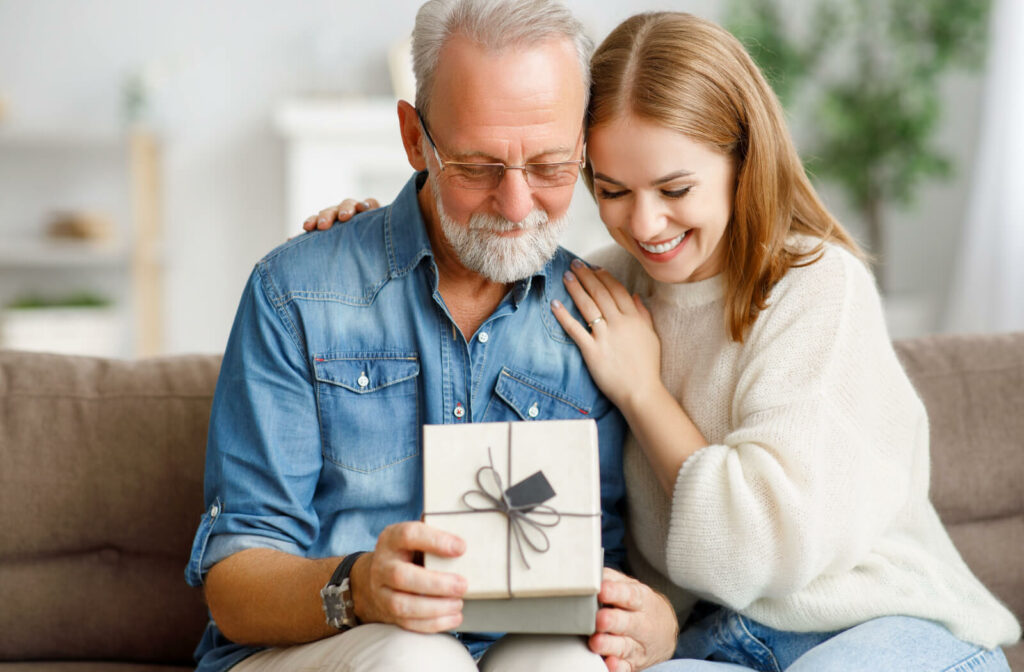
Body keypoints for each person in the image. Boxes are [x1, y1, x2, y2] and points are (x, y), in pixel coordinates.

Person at [311, 10, 1021, 672]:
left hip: (875, 626)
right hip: (711, 643)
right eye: (613, 189)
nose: (645, 224)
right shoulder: (603, 287)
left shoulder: (812, 286)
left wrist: (643, 391)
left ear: (741, 159)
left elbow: (757, 549)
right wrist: (383, 237)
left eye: (675, 188)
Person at [184, 2, 680, 671]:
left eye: (550, 166)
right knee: (418, 659)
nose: (515, 205)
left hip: (514, 647)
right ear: (415, 139)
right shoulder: (296, 293)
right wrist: (359, 587)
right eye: (477, 167)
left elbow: (606, 566)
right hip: (317, 647)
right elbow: (233, 588)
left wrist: (653, 622)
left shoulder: (599, 320)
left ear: (585, 148)